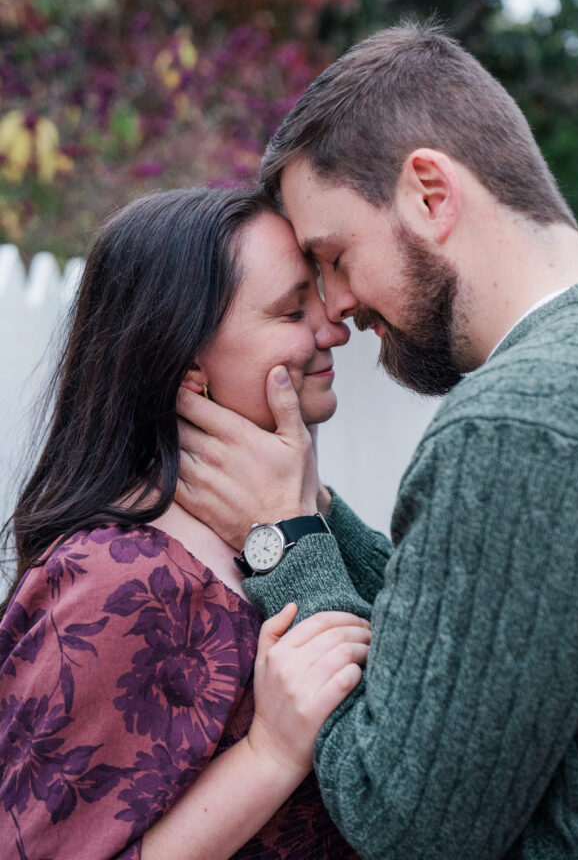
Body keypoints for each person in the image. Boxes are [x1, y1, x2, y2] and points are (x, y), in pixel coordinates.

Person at [174, 22, 578, 860]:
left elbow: (403, 821)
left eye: (332, 257)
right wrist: (312, 511)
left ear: (429, 194)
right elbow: (485, 651)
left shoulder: (526, 423)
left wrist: (282, 540)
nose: (334, 308)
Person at [0, 187, 371, 860]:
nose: (332, 326)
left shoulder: (287, 533)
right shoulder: (117, 579)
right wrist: (269, 755)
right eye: (292, 309)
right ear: (188, 364)